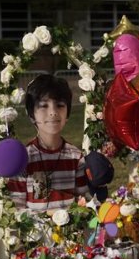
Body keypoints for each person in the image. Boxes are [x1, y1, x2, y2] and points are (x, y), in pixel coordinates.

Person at [7, 74, 89, 211]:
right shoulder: (23, 158)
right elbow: (17, 208)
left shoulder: (76, 157)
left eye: (60, 105)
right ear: (32, 115)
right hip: (35, 231)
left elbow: (83, 202)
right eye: (44, 106)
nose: (53, 112)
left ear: (67, 113)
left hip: (70, 231)